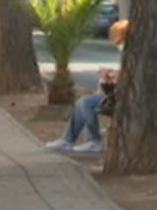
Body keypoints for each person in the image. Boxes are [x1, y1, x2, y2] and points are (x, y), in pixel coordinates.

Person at [48, 19, 130, 155]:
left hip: (124, 96)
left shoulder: (132, 54)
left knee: (86, 103)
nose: (116, 44)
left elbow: (125, 76)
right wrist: (110, 74)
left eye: (118, 40)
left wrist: (110, 76)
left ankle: (93, 140)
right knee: (82, 103)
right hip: (118, 93)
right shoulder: (127, 54)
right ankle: (68, 139)